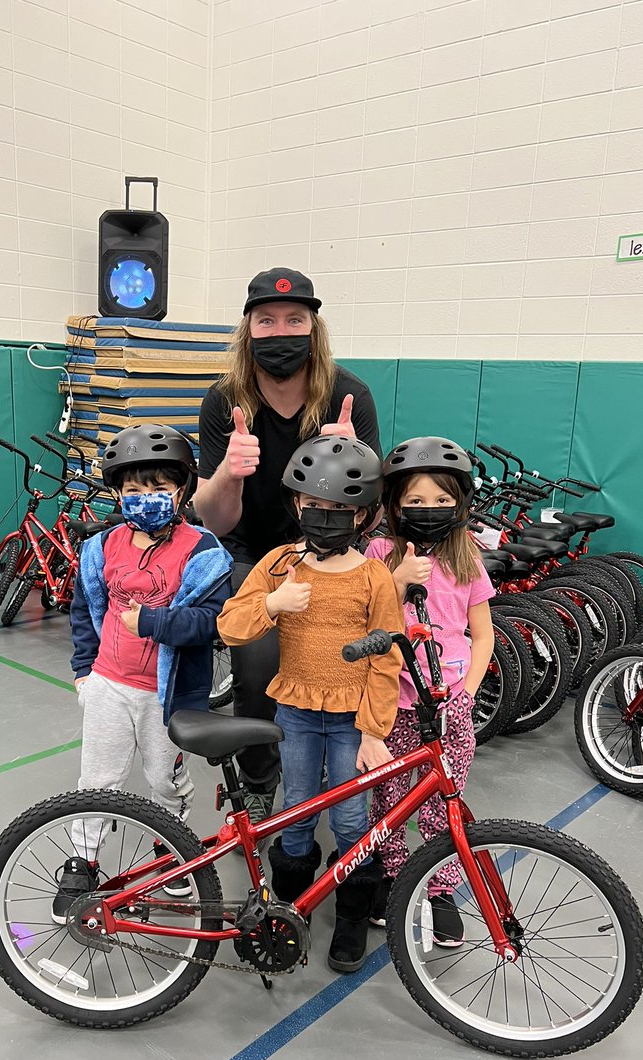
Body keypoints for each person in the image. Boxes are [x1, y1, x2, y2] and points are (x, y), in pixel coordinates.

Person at [193, 268, 381, 826]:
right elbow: (215, 518)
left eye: (295, 319)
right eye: (267, 320)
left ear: (314, 327)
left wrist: (352, 468)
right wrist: (229, 473)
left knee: (345, 661)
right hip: (253, 554)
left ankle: (335, 767)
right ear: (248, 328)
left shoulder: (350, 396)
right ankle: (258, 779)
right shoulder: (224, 400)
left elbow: (369, 514)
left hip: (331, 553)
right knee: (257, 671)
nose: (281, 331)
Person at [217, 435, 402, 973]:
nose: (326, 519)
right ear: (297, 504)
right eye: (316, 508)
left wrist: (374, 732)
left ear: (364, 516)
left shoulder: (372, 577)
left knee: (349, 821)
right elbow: (231, 625)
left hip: (351, 720)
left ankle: (349, 919)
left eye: (341, 510)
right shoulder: (280, 563)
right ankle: (288, 910)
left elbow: (386, 657)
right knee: (296, 814)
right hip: (295, 713)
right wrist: (272, 604)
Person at [53, 424, 232, 923]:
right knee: (98, 779)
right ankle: (83, 861)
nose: (145, 499)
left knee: (165, 779)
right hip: (109, 684)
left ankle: (170, 852)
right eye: (134, 490)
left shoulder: (203, 552)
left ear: (183, 491)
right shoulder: (102, 547)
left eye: (158, 488)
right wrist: (83, 670)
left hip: (165, 695)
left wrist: (153, 620)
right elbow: (85, 608)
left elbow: (211, 623)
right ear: (117, 493)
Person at [364, 437, 495, 946]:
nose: (429, 511)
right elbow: (367, 620)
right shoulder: (379, 554)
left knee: (444, 800)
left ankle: (440, 889)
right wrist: (396, 581)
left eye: (442, 502)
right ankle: (393, 874)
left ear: (460, 506)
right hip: (393, 704)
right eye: (416, 501)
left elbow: (482, 633)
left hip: (449, 707)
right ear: (396, 506)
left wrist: (468, 690)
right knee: (390, 799)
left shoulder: (469, 562)